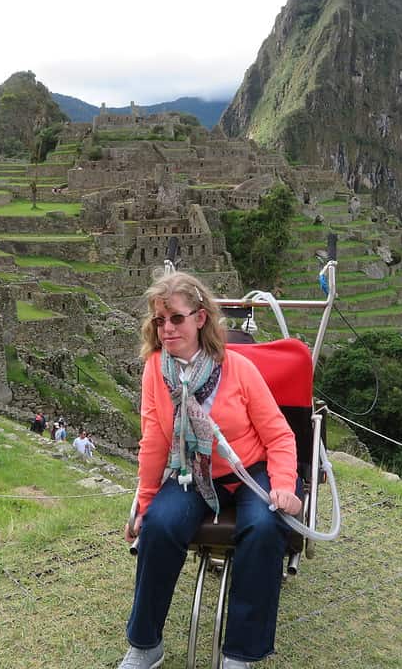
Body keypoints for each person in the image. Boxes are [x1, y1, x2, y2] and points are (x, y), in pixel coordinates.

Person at [119, 272, 301, 669]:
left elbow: (280, 437)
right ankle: (146, 643)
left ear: (200, 318)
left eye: (177, 319)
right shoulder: (156, 371)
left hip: (251, 469)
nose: (167, 329)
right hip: (190, 472)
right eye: (159, 321)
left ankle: (240, 653)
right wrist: (144, 504)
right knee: (161, 527)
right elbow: (153, 440)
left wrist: (285, 485)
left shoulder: (238, 369)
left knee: (265, 527)